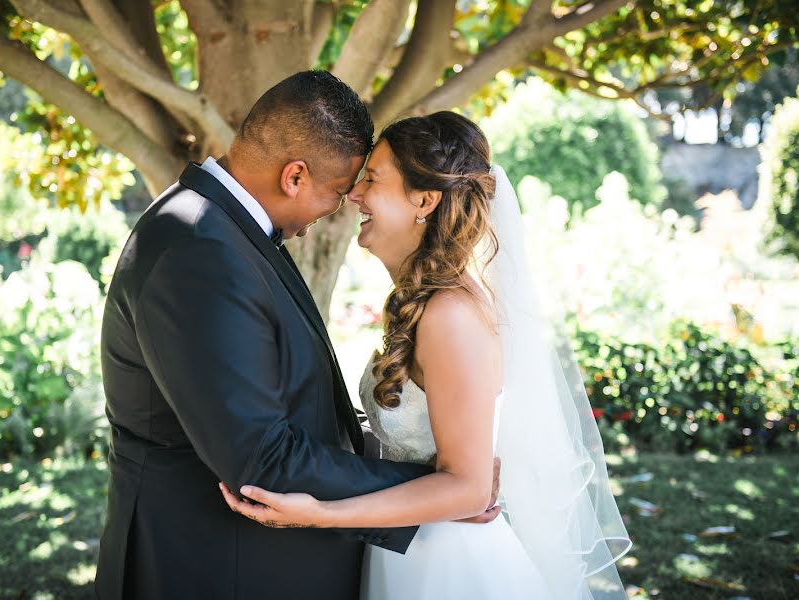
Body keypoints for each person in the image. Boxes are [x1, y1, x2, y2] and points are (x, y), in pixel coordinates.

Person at [94, 71, 499, 600]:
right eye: (339, 190)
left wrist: (448, 488)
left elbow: (293, 403)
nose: (345, 203)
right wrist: (438, 493)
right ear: (294, 177)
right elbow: (261, 455)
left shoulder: (222, 233)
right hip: (210, 568)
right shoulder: (198, 246)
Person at [221, 111, 633, 599]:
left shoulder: (450, 315)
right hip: (408, 550)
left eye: (372, 179)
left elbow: (469, 488)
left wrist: (322, 513)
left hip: (450, 568)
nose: (353, 196)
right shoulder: (424, 306)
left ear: (424, 199)